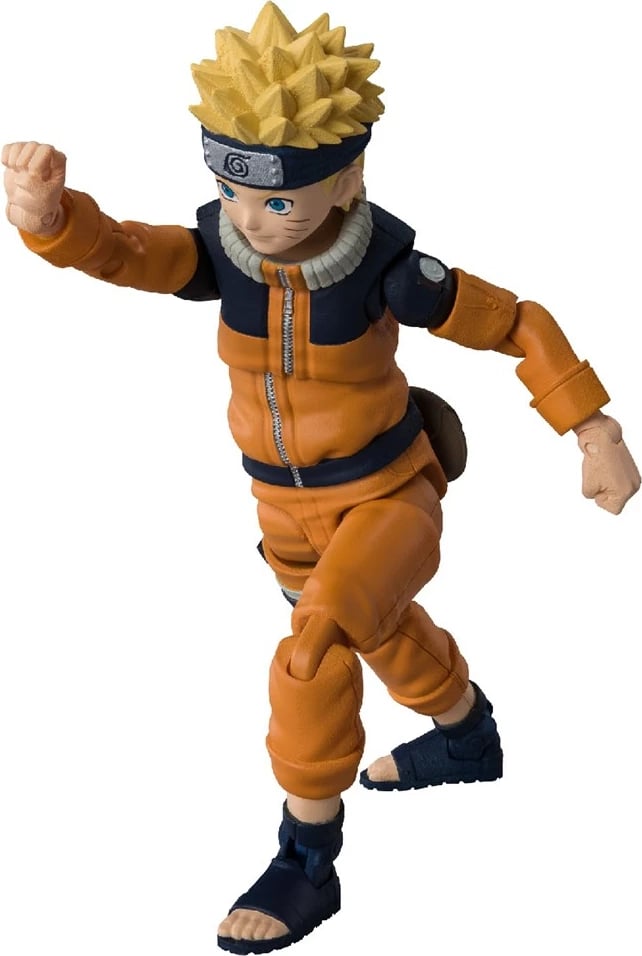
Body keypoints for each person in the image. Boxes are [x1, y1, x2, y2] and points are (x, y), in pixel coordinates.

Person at [3, 3, 639, 952]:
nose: (250, 221)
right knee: (375, 632)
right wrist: (54, 220)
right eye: (230, 191)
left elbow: (515, 322)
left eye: (279, 203)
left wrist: (593, 428)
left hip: (386, 495)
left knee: (312, 651)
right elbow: (127, 253)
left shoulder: (392, 271)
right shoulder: (224, 252)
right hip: (281, 509)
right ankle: (468, 737)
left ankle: (307, 858)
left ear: (348, 179)